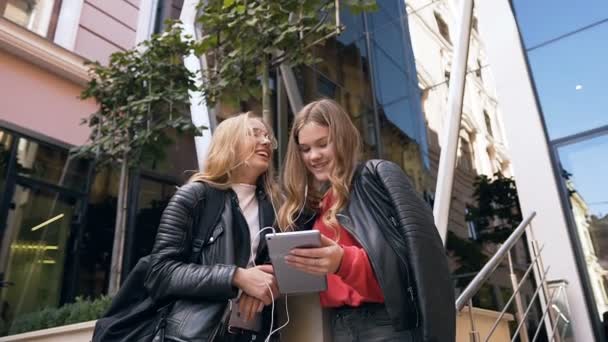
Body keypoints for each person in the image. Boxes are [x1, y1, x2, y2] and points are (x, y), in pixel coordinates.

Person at [277, 99, 455, 341]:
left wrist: (342, 261)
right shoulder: (314, 208)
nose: (314, 156)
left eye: (322, 144)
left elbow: (411, 259)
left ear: (342, 139)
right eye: (305, 149)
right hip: (337, 326)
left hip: (385, 324)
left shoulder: (375, 178)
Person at [145, 112, 280, 341]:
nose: (266, 141)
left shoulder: (275, 206)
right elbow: (160, 273)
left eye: (267, 136)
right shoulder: (196, 196)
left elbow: (282, 264)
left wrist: (267, 283)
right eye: (254, 134)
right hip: (194, 336)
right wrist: (237, 277)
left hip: (254, 334)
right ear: (230, 143)